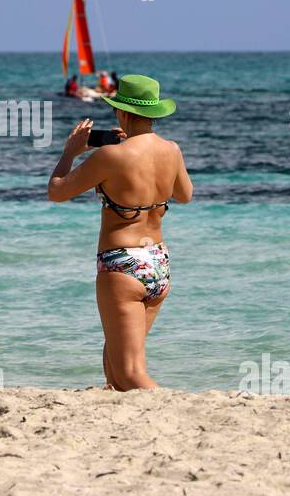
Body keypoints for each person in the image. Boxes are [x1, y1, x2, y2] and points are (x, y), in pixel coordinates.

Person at [46, 75, 192, 390]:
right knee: (117, 369)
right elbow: (184, 194)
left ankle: (175, 412)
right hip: (157, 261)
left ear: (122, 113)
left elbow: (57, 192)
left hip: (122, 264)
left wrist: (70, 153)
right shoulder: (172, 150)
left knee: (129, 373)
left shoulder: (111, 155)